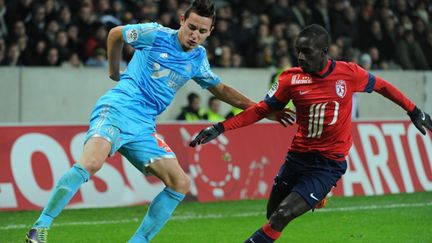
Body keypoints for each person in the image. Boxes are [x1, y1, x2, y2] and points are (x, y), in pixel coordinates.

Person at [25, 1, 289, 242]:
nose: (195, 35)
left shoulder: (198, 59)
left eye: (202, 31)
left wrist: (263, 110)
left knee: (180, 183)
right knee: (91, 163)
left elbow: (221, 90)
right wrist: (114, 72)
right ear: (182, 20)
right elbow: (115, 33)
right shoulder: (155, 33)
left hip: (144, 126)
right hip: (118, 108)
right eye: (191, 27)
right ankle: (40, 228)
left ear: (211, 31)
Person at [190, 24, 432, 243]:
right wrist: (221, 127)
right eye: (298, 51)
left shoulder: (348, 73)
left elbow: (382, 86)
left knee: (282, 215)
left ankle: (318, 191)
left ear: (323, 51)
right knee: (272, 215)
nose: (300, 57)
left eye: (306, 51)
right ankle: (315, 196)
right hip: (297, 157)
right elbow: (261, 110)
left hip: (328, 164)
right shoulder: (290, 78)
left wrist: (413, 110)